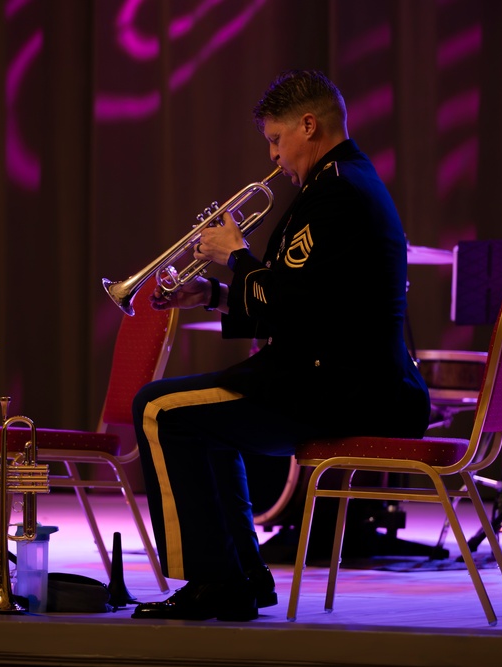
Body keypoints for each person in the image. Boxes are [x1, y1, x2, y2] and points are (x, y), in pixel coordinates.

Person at [129, 69, 431, 622]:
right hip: (343, 376)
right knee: (193, 418)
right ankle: (239, 576)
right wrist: (213, 294)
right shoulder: (345, 181)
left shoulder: (337, 193)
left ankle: (217, 581)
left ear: (309, 126)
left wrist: (237, 254)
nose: (273, 157)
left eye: (276, 139)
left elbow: (285, 301)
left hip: (342, 386)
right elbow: (303, 301)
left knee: (157, 408)